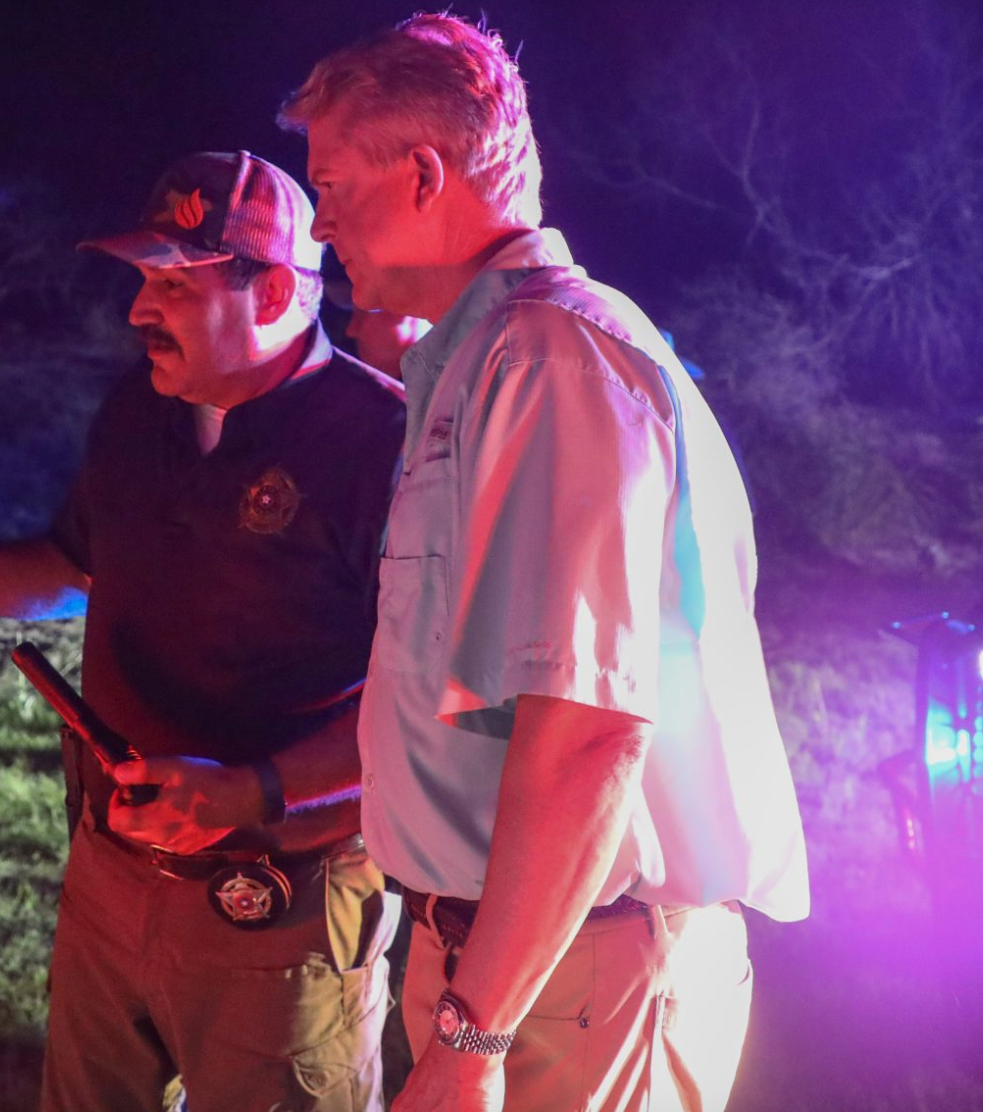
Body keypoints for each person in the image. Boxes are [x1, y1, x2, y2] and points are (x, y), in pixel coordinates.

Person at [0, 151, 409, 1112]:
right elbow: (67, 570)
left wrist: (251, 789)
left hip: (283, 898)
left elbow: (429, 702)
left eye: (171, 284)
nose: (138, 312)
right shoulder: (142, 409)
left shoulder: (381, 442)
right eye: (142, 281)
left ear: (270, 289)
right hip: (111, 866)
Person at [280, 15, 810, 1112]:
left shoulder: (547, 358)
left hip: (562, 981)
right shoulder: (488, 358)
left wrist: (474, 1037)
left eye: (330, 184)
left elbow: (588, 731)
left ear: (425, 172)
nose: (320, 221)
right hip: (524, 965)